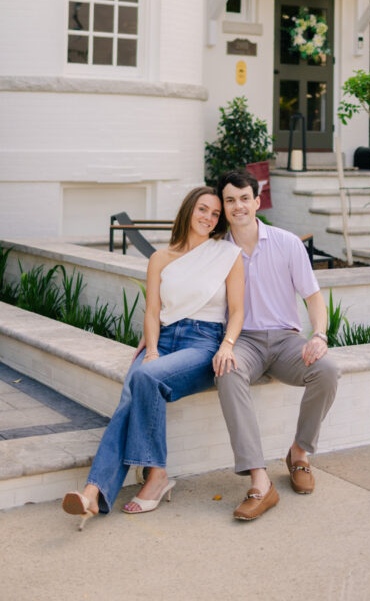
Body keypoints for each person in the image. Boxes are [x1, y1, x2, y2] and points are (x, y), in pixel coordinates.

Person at [62, 186, 244, 529]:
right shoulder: (161, 258)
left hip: (203, 344)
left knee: (143, 378)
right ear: (189, 211)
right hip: (163, 339)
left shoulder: (226, 255)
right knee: (133, 390)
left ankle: (156, 474)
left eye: (215, 214)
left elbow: (238, 311)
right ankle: (91, 493)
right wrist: (153, 348)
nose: (208, 218)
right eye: (203, 209)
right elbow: (152, 312)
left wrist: (228, 344)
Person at [215, 168, 339, 521]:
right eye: (229, 200)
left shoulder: (287, 243)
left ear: (257, 201)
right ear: (223, 207)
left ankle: (299, 453)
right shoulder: (217, 251)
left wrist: (319, 335)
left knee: (328, 370)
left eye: (244, 198)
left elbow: (314, 297)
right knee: (227, 372)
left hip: (286, 341)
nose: (238, 206)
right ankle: (259, 480)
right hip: (244, 342)